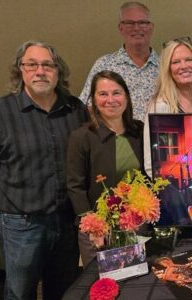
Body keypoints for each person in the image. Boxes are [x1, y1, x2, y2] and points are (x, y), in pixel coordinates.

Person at [0, 40, 88, 299]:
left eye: (48, 65)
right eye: (31, 64)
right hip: (21, 224)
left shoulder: (75, 109)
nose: (40, 71)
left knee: (64, 291)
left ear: (58, 71)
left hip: (67, 222)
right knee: (19, 292)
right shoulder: (1, 111)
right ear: (20, 69)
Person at [67, 70, 144, 266]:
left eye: (116, 93)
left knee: (136, 286)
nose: (110, 100)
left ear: (126, 96)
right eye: (103, 94)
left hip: (137, 228)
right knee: (102, 290)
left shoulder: (140, 130)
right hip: (99, 233)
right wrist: (94, 227)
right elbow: (75, 186)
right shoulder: (81, 137)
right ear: (93, 100)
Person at [80, 1, 158, 119]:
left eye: (142, 22)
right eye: (129, 23)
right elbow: (88, 107)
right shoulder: (104, 65)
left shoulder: (166, 66)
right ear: (120, 28)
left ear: (151, 27)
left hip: (159, 136)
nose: (136, 28)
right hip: (117, 137)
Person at [143, 38, 192, 178]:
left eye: (189, 59)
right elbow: (149, 163)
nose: (184, 66)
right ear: (168, 69)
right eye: (176, 62)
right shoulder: (160, 106)